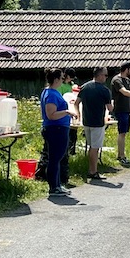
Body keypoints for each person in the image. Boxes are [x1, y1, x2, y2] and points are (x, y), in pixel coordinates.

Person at [40, 68, 77, 197]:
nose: (63, 80)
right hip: (56, 129)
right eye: (62, 78)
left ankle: (57, 184)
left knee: (57, 158)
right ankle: (54, 187)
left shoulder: (50, 91)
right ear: (56, 79)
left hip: (58, 128)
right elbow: (51, 115)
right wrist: (67, 112)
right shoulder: (51, 94)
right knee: (55, 158)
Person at [76, 66, 115, 181]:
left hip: (86, 121)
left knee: (91, 146)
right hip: (97, 122)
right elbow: (110, 108)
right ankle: (93, 171)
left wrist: (78, 114)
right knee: (95, 147)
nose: (106, 78)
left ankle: (92, 169)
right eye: (105, 75)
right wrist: (113, 104)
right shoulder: (104, 90)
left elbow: (76, 103)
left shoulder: (84, 87)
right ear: (100, 75)